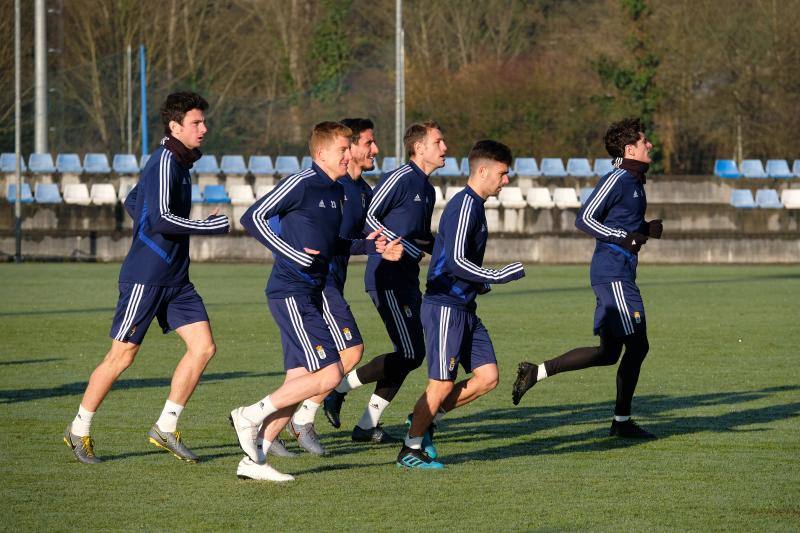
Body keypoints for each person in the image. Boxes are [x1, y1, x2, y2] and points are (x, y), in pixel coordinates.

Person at [63, 92, 230, 464]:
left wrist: (149, 231)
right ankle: (78, 429)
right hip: (146, 278)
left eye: (204, 122)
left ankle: (165, 427)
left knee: (203, 348)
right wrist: (206, 227)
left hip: (176, 279)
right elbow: (159, 219)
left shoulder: (179, 163)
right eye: (196, 123)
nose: (204, 129)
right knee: (122, 356)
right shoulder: (166, 161)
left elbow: (134, 201)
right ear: (175, 126)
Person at [231, 121, 402, 481]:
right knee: (330, 372)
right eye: (343, 149)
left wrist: (374, 247)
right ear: (321, 153)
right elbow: (253, 217)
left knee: (299, 382)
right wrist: (291, 252)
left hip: (308, 292)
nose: (348, 155)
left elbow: (336, 243)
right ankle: (249, 414)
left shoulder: (338, 192)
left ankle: (254, 461)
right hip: (291, 290)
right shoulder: (301, 183)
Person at [512, 117, 663, 439]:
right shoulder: (618, 178)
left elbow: (621, 225)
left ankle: (535, 372)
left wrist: (643, 230)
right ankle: (621, 423)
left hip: (619, 272)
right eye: (644, 141)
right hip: (613, 275)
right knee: (638, 346)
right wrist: (625, 237)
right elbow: (584, 219)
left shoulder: (635, 181)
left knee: (609, 354)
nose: (650, 144)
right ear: (629, 149)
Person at [397, 140, 525, 469]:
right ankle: (410, 449)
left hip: (464, 307)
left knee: (488, 377)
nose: (506, 180)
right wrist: (496, 275)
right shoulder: (465, 205)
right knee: (440, 383)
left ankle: (423, 418)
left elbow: (453, 258)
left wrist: (478, 283)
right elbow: (454, 261)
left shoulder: (476, 206)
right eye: (502, 173)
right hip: (445, 308)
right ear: (482, 171)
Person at [324, 121, 444, 444]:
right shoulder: (401, 178)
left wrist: (446, 250)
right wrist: (396, 244)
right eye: (439, 141)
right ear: (419, 148)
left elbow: (419, 237)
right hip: (386, 278)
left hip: (408, 278)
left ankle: (366, 425)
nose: (444, 148)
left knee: (413, 354)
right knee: (408, 350)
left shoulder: (429, 190)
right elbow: (369, 217)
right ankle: (337, 389)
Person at [284, 117, 378, 456]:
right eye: (368, 143)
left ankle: (264, 424)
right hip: (317, 283)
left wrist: (378, 243)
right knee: (351, 351)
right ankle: (302, 419)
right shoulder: (328, 187)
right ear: (348, 149)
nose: (375, 149)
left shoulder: (361, 190)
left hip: (331, 282)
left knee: (301, 369)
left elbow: (346, 240)